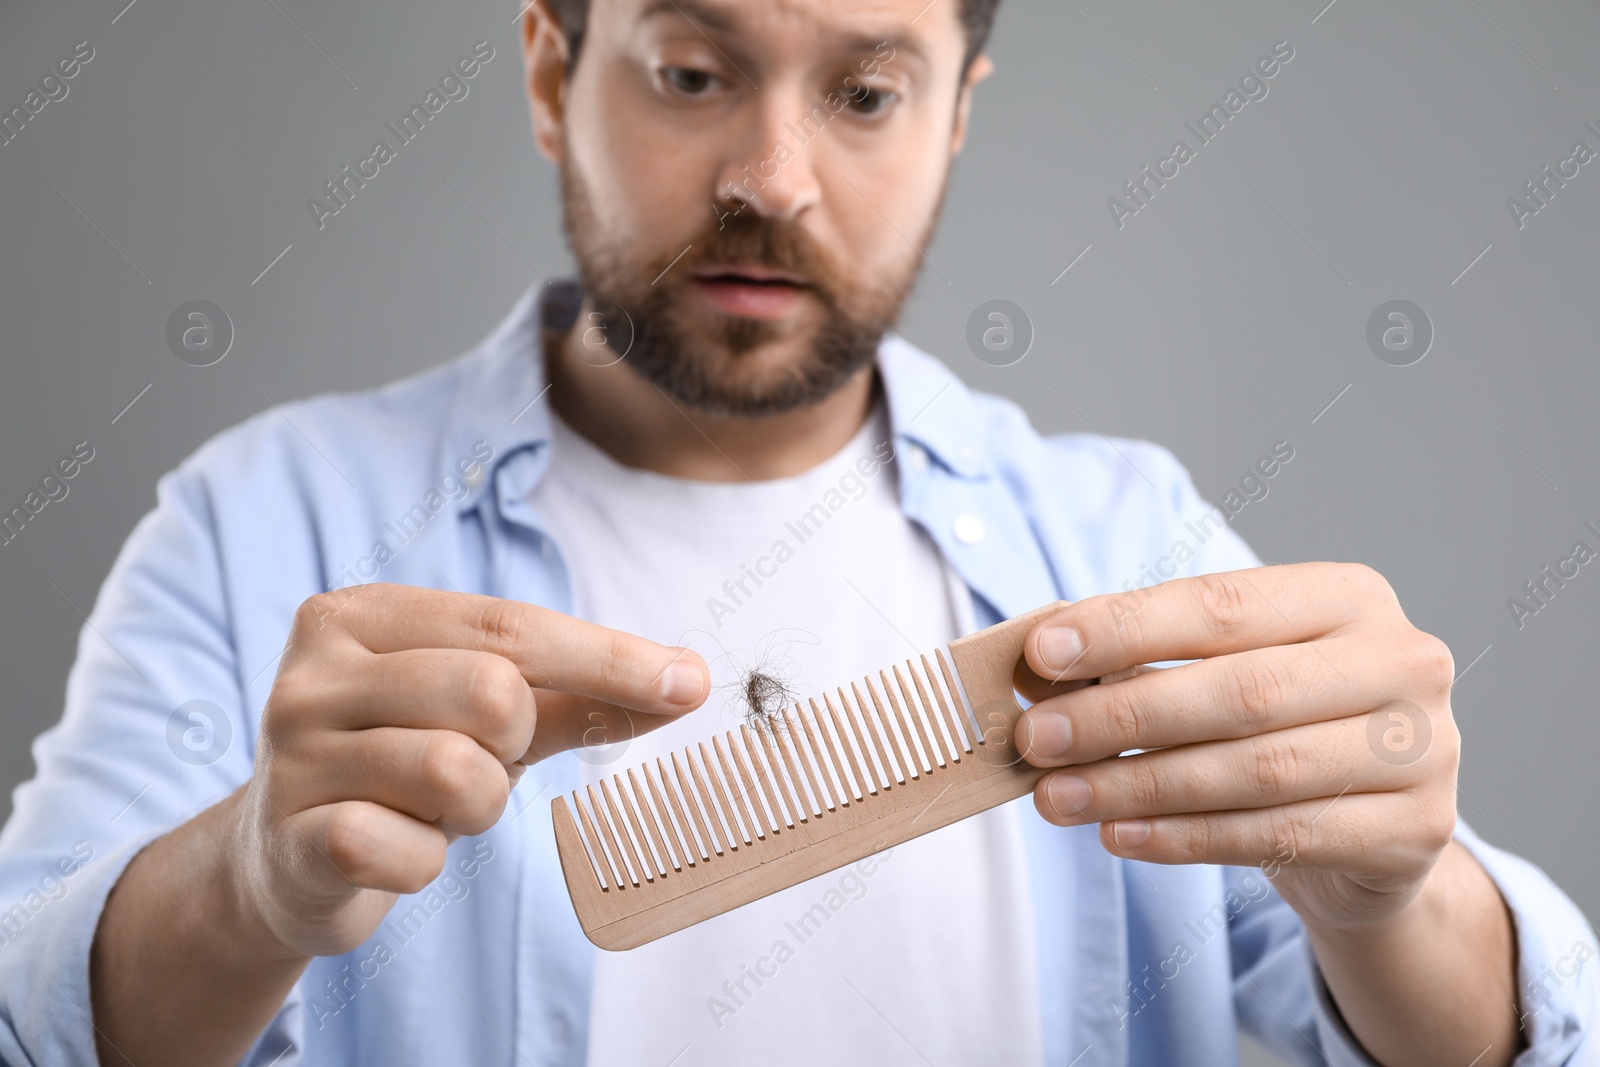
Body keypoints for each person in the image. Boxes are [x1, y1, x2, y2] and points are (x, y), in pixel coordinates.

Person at [0, 0, 1593, 1064]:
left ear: (958, 114)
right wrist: (250, 889)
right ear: (554, 72)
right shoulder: (262, 525)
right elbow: (30, 1020)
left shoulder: (1128, 542)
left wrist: (1398, 899)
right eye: (693, 72)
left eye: (866, 92)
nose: (773, 180)